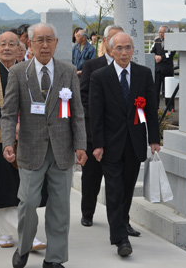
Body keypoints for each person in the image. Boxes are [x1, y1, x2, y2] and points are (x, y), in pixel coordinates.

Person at [1, 22, 87, 268]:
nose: (45, 45)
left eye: (50, 39)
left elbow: (77, 113)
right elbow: (8, 113)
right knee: (27, 202)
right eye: (39, 40)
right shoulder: (19, 72)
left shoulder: (68, 71)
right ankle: (25, 246)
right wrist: (8, 141)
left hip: (62, 149)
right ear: (29, 43)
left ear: (57, 43)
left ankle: (55, 258)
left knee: (60, 207)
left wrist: (80, 144)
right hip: (30, 148)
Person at [89, 32, 161, 257]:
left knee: (127, 188)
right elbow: (96, 113)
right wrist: (97, 144)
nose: (123, 52)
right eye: (119, 48)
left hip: (135, 142)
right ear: (110, 50)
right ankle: (120, 238)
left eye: (127, 48)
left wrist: (154, 139)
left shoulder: (143, 74)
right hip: (110, 145)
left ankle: (122, 221)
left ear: (133, 50)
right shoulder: (100, 77)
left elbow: (150, 109)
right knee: (114, 190)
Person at [0, 32, 46, 250]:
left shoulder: (30, 73)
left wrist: (25, 125)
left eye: (11, 44)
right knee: (1, 186)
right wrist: (9, 126)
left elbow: (40, 100)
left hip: (27, 137)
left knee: (23, 187)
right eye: (2, 44)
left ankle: (6, 234)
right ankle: (25, 234)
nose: (6, 48)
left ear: (19, 49)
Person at [78, 25, 125, 229]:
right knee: (91, 177)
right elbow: (84, 96)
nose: (119, 47)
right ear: (105, 42)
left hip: (120, 133)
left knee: (120, 181)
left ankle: (122, 220)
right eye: (114, 41)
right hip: (94, 131)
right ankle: (87, 212)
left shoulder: (128, 67)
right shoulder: (91, 65)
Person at [150, 25, 176, 106]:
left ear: (167, 33)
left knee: (168, 89)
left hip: (167, 69)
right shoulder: (156, 40)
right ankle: (155, 106)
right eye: (160, 32)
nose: (161, 34)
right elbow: (151, 51)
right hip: (157, 69)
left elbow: (171, 53)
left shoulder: (171, 41)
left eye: (163, 32)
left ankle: (170, 107)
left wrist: (161, 57)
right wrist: (155, 57)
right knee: (156, 89)